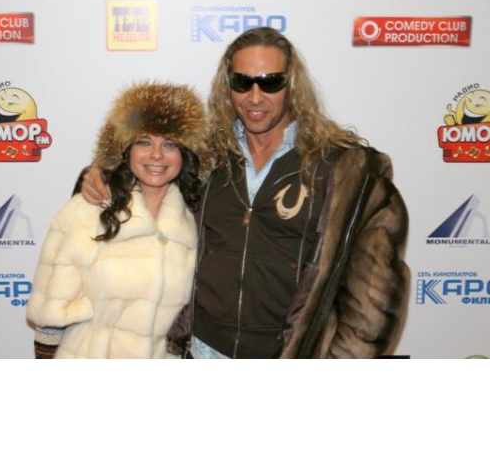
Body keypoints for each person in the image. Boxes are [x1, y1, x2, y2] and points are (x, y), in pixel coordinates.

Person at [81, 27, 410, 359]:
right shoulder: (206, 158)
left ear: (293, 85)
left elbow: (374, 296)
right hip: (200, 352)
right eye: (242, 82)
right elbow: (144, 170)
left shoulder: (345, 172)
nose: (254, 97)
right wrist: (100, 172)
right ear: (227, 86)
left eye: (270, 82)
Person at [26, 82, 208, 358]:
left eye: (170, 144)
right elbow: (50, 313)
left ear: (185, 155)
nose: (156, 155)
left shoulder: (196, 218)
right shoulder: (86, 210)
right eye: (143, 142)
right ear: (124, 149)